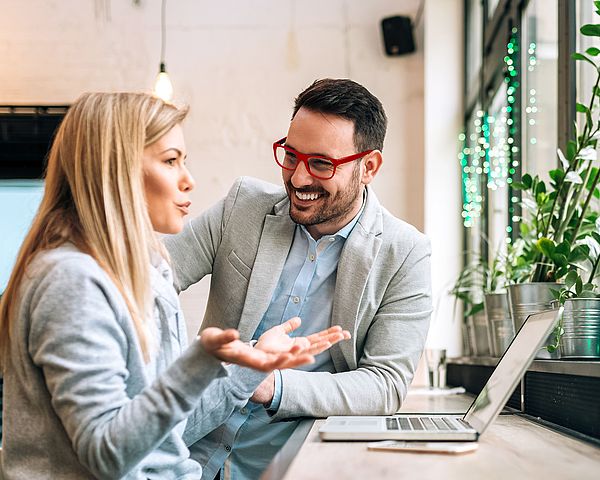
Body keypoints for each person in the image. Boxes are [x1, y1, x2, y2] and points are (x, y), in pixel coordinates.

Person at [0, 92, 349, 480]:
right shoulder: (73, 282)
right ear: (115, 171)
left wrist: (252, 367)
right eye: (170, 161)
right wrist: (195, 365)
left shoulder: (149, 270)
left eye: (184, 160)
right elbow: (107, 453)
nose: (189, 180)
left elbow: (170, 432)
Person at [164, 78, 433, 479]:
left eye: (322, 164)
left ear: (369, 167)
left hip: (293, 464)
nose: (299, 178)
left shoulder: (405, 252)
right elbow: (149, 277)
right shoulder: (243, 208)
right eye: (291, 156)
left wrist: (270, 384)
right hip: (193, 456)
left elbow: (385, 385)